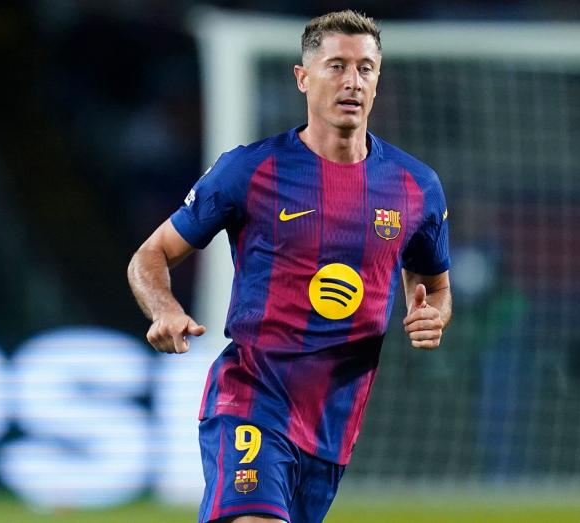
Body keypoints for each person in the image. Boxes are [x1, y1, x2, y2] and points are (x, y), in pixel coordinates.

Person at [128, 10, 451, 523]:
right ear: (303, 77)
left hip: (331, 428)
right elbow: (151, 254)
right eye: (336, 66)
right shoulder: (250, 169)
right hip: (250, 399)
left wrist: (432, 314)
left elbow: (433, 284)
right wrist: (164, 309)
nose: (352, 81)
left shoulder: (416, 187)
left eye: (365, 68)